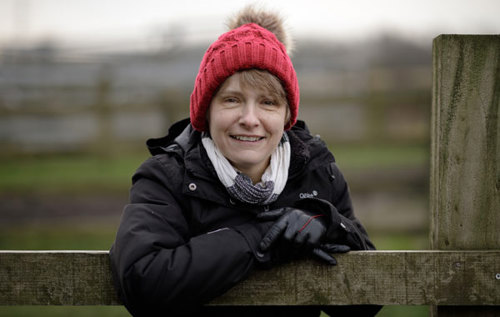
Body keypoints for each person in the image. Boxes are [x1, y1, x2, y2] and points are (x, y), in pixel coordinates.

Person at [110, 6, 381, 317]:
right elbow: (142, 283)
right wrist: (255, 238)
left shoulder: (319, 174)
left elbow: (366, 303)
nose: (250, 119)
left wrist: (328, 224)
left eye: (268, 102)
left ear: (287, 116)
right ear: (206, 111)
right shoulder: (166, 179)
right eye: (232, 100)